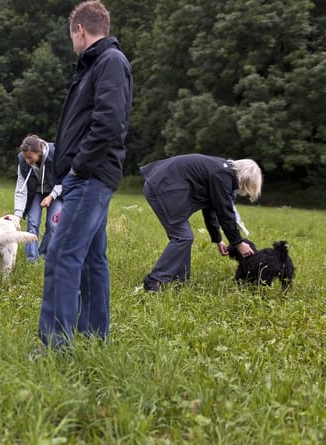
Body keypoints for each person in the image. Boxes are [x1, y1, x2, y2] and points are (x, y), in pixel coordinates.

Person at [37, 0, 133, 350]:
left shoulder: (108, 62)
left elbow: (109, 122)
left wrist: (79, 166)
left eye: (71, 36)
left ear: (80, 30)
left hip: (89, 177)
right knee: (93, 259)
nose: (72, 43)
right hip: (91, 175)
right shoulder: (96, 65)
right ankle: (94, 335)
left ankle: (54, 345)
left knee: (62, 255)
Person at [140, 153, 263, 292]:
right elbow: (225, 213)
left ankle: (180, 280)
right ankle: (153, 281)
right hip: (162, 189)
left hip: (162, 186)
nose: (242, 190)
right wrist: (238, 243)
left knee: (183, 237)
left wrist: (218, 239)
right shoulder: (222, 175)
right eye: (246, 186)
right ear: (244, 179)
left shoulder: (221, 170)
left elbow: (211, 208)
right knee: (183, 237)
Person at [13, 134, 63, 262]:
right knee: (32, 224)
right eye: (25, 157)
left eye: (30, 157)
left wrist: (51, 197)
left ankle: (44, 255)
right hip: (35, 192)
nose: (27, 160)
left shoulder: (56, 154)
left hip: (55, 192)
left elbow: (65, 179)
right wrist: (17, 216)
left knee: (53, 225)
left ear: (39, 152)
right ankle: (31, 259)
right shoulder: (23, 161)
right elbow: (21, 189)